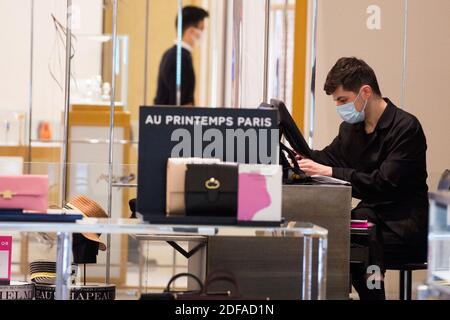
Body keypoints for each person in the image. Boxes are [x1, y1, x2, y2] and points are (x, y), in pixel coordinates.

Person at [297, 57, 429, 300]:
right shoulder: (351, 129)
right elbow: (328, 159)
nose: (339, 107)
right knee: (343, 239)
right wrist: (299, 156)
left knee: (349, 247)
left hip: (404, 227)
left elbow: (383, 184)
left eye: (342, 100)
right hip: (370, 222)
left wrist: (328, 172)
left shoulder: (406, 128)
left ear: (365, 92)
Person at [154, 6, 209, 106]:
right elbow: (182, 105)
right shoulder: (180, 58)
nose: (203, 34)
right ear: (191, 31)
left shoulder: (172, 54)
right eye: (202, 29)